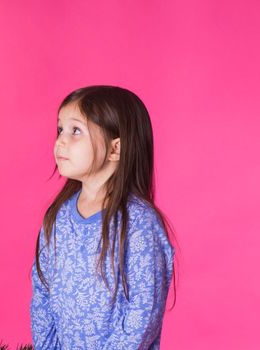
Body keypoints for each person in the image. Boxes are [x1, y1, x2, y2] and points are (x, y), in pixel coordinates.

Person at [30, 85, 178, 349]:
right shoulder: (58, 217)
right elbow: (42, 292)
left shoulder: (138, 223)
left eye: (76, 131)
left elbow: (142, 314)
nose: (60, 140)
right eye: (60, 129)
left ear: (115, 149)